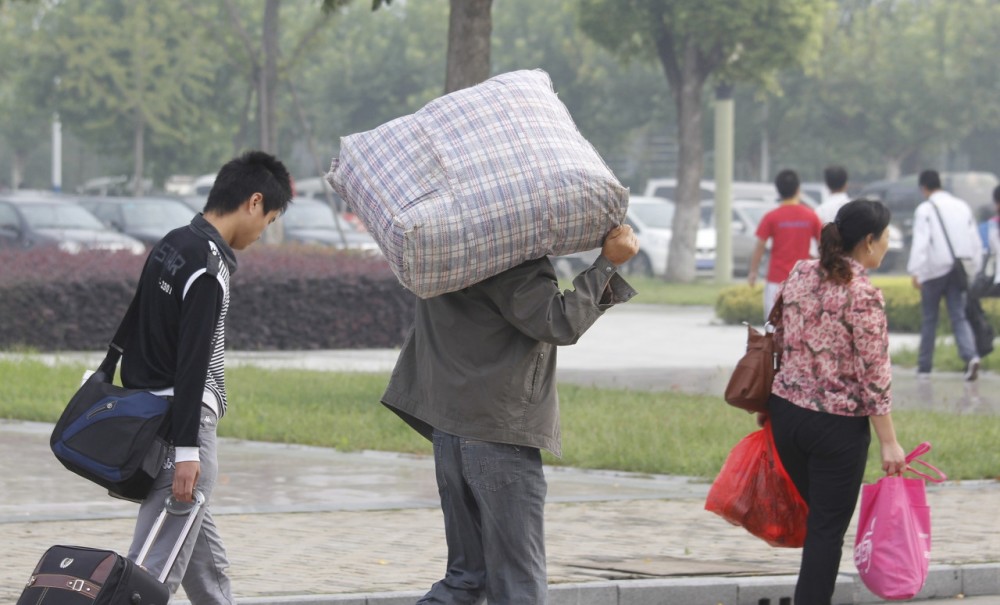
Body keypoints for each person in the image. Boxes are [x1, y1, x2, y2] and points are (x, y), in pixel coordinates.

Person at [381, 226, 639, 604]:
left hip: (449, 430)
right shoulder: (507, 250)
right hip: (499, 435)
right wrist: (607, 265)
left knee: (467, 579)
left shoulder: (439, 245)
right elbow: (557, 322)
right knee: (517, 584)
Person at [121, 151, 293, 603]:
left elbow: (134, 323)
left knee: (199, 556)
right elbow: (194, 361)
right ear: (254, 202)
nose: (262, 232)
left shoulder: (173, 242)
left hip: (154, 410)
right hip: (186, 422)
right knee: (153, 566)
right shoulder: (210, 266)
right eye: (270, 220)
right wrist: (187, 452)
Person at [765, 199, 907, 605]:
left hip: (787, 416)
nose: (888, 242)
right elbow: (874, 376)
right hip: (835, 428)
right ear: (868, 241)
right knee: (827, 530)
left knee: (819, 522)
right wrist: (889, 442)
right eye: (886, 236)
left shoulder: (800, 272)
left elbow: (779, 332)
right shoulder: (862, 294)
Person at [906, 169, 983, 381]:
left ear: (924, 188)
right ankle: (971, 356)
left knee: (930, 318)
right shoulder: (961, 206)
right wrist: (973, 269)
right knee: (958, 316)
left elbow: (921, 242)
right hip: (958, 270)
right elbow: (974, 240)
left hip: (933, 270)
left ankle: (924, 367)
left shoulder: (925, 209)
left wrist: (916, 270)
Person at [748, 169, 823, 320]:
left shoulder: (771, 217)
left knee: (774, 327)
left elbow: (759, 246)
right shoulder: (811, 216)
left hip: (776, 280)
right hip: (803, 280)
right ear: (798, 189)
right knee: (802, 325)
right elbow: (823, 245)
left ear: (778, 191)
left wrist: (753, 271)